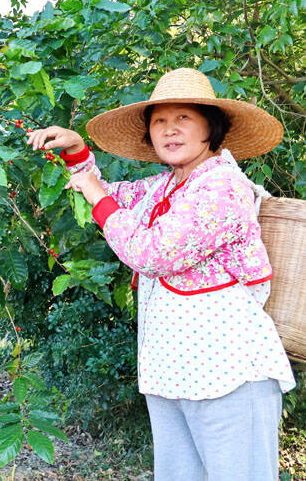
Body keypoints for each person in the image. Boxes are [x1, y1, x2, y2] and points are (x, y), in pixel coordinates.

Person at [28, 68, 295, 481]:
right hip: (171, 373)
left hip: (229, 374)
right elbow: (106, 196)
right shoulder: (163, 187)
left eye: (183, 117)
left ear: (211, 126)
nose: (170, 129)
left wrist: (96, 194)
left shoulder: (222, 188)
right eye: (159, 121)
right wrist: (77, 150)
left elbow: (150, 253)